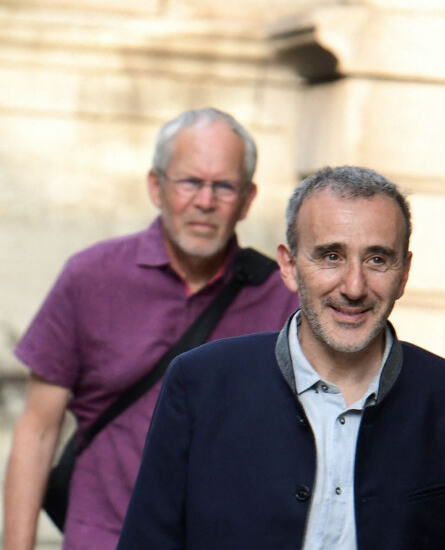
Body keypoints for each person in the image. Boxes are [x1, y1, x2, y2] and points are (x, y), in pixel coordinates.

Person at [117, 165, 445, 550]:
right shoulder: (200, 384)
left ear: (404, 274)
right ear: (289, 266)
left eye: (378, 260)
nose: (354, 287)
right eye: (331, 256)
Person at [3, 108, 299, 550]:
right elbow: (38, 429)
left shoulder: (283, 299)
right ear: (155, 186)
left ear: (247, 199)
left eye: (223, 186)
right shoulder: (91, 277)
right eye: (189, 182)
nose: (205, 201)